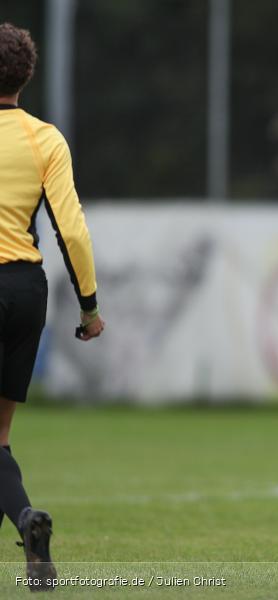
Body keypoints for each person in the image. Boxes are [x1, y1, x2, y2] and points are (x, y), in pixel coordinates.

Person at [0, 22, 105, 591]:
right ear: (27, 75)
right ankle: (28, 535)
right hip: (24, 289)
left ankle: (23, 518)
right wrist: (89, 307)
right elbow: (72, 231)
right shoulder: (45, 138)